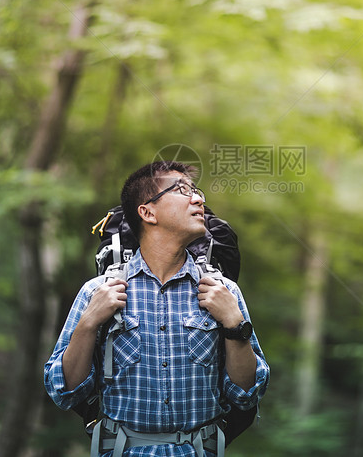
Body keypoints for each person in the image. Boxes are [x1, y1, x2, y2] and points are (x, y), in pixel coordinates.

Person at [44, 161, 270, 457]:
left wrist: (234, 324)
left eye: (196, 191)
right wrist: (87, 324)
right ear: (147, 212)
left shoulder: (223, 293)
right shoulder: (98, 292)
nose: (199, 199)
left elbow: (246, 394)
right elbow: (64, 391)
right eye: (181, 190)